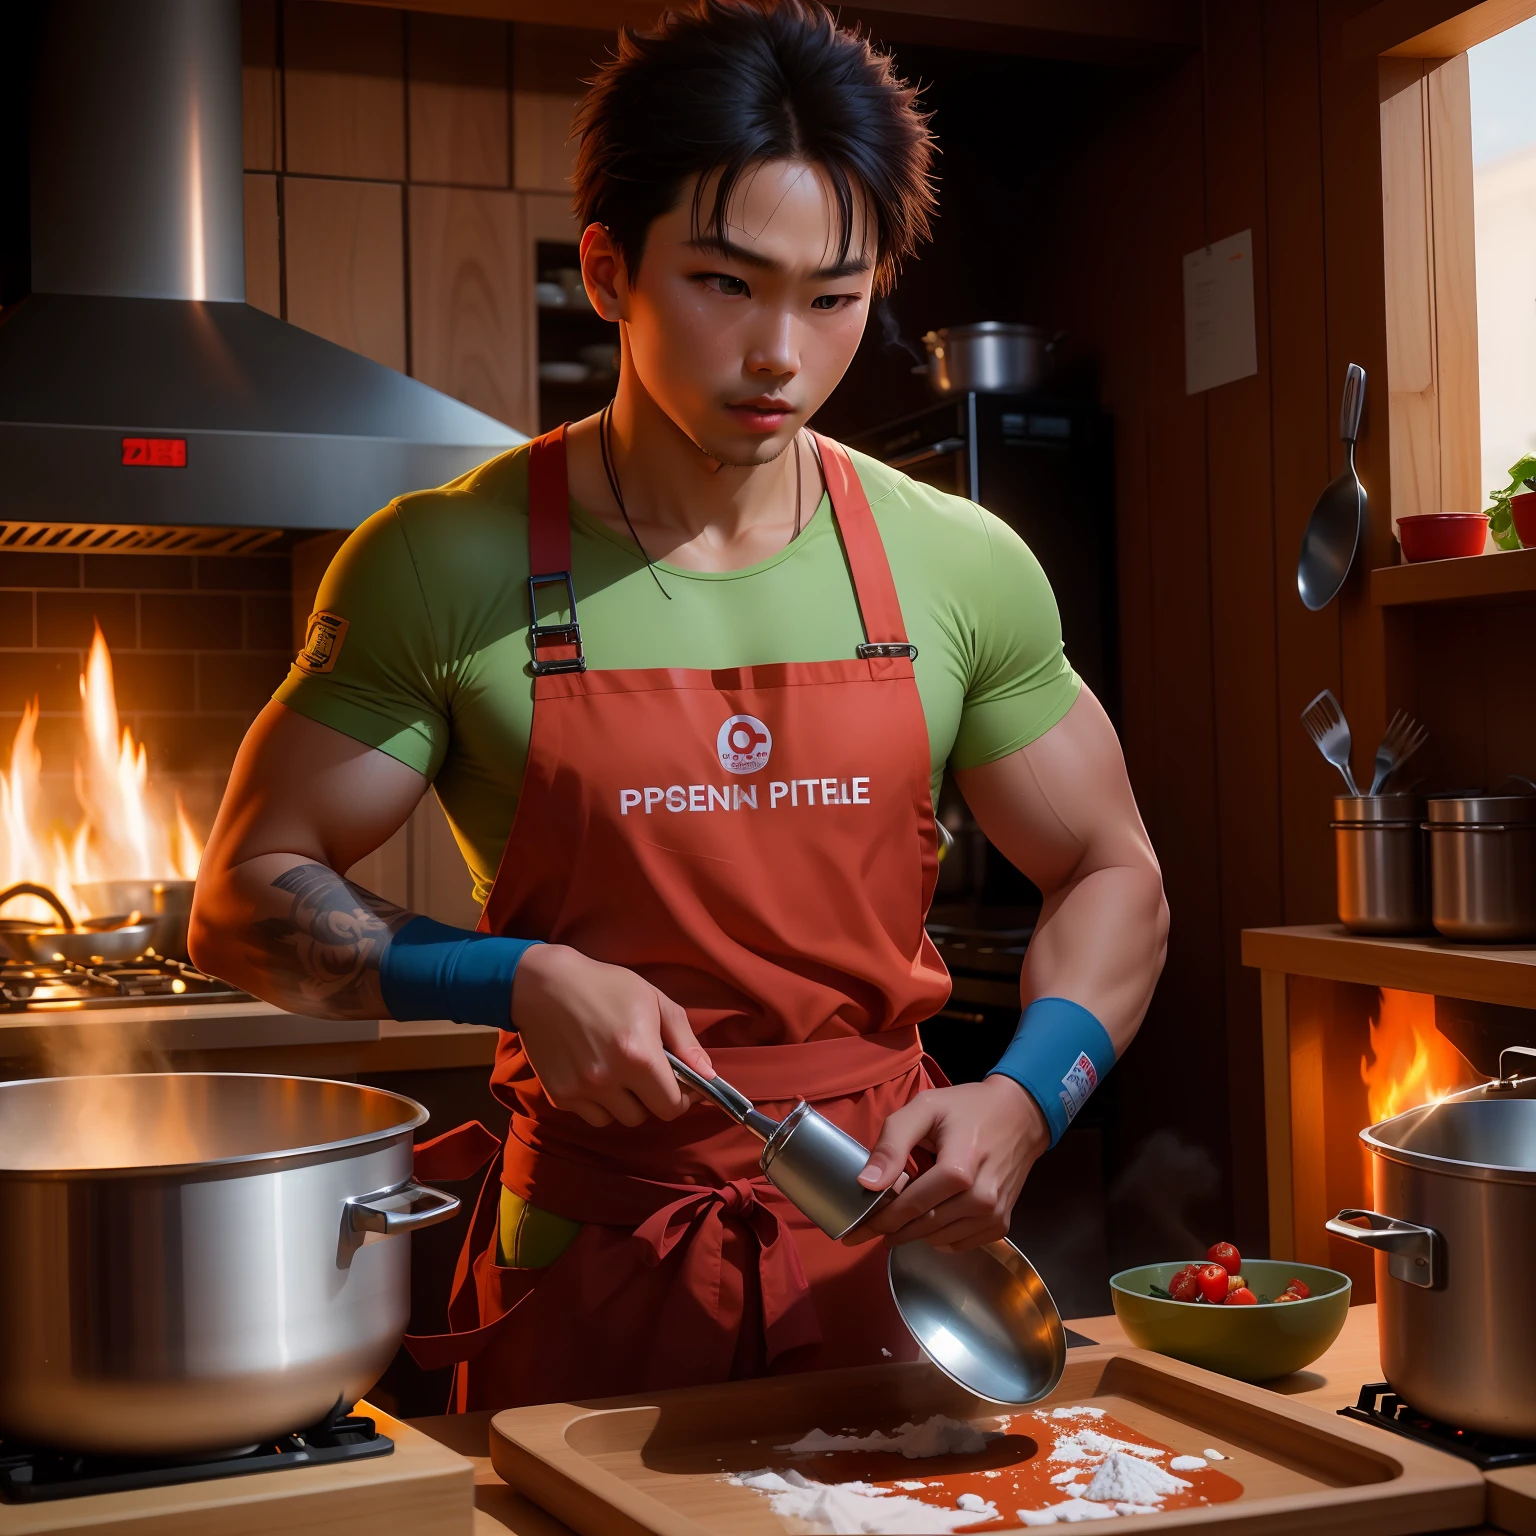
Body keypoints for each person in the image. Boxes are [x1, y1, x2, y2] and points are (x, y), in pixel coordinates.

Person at [188, 0, 1167, 1411]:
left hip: (884, 1243)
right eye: (726, 283)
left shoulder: (956, 563)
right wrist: (509, 976)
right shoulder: (437, 563)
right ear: (608, 269)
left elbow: (1113, 869)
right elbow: (241, 900)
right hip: (594, 1247)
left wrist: (1031, 1090)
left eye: (834, 298)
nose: (782, 352)